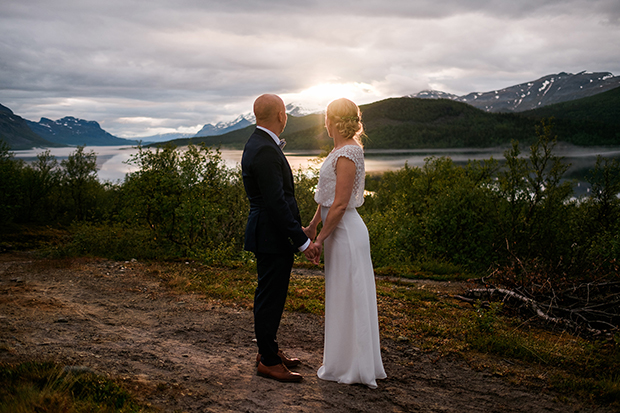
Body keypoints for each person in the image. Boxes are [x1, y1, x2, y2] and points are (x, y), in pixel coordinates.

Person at [304, 98, 387, 388]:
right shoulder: (339, 149)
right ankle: (340, 361)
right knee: (340, 294)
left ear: (334, 121)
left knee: (351, 295)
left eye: (325, 117)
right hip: (334, 231)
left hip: (346, 233)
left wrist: (319, 240)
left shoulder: (349, 151)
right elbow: (325, 196)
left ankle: (355, 366)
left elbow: (340, 205)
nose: (324, 123)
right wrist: (314, 225)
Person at [241, 94, 321, 383]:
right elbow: (275, 202)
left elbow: (277, 200)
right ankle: (269, 361)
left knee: (271, 295)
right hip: (270, 234)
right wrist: (302, 242)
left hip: (271, 232)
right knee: (270, 297)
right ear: (280, 115)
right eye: (285, 112)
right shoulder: (264, 149)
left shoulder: (259, 144)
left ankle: (269, 351)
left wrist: (297, 231)